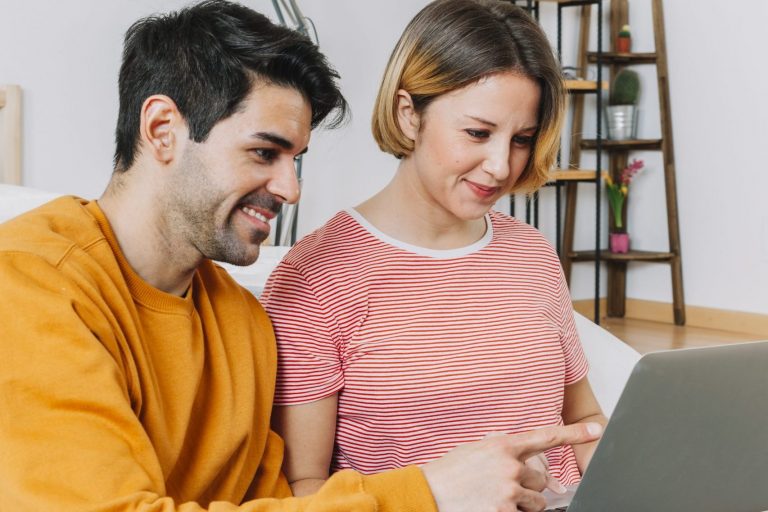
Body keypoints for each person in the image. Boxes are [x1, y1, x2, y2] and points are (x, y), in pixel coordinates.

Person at [0, 1, 601, 511]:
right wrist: (428, 493)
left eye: (296, 160)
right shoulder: (29, 284)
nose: (291, 191)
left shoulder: (240, 322)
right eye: (265, 153)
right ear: (162, 129)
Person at [262, 0, 608, 501]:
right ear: (409, 114)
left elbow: (583, 419)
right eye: (478, 133)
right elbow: (304, 486)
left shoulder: (531, 253)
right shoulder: (316, 278)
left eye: (521, 139)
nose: (498, 166)